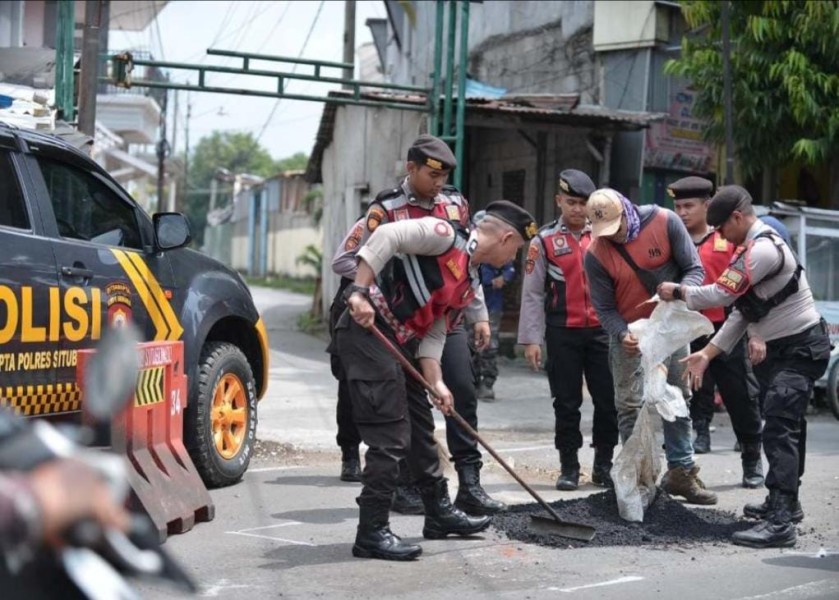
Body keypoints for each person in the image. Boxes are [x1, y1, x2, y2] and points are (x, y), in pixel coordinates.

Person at [334, 200, 536, 561]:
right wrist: (359, 291)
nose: (514, 258)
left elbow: (436, 331)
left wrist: (437, 382)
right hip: (368, 331)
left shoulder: (468, 279)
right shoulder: (444, 236)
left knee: (421, 428)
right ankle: (371, 532)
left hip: (403, 341)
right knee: (390, 434)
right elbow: (387, 235)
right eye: (517, 249)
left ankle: (438, 513)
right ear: (506, 237)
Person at [332, 134, 507, 517]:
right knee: (404, 410)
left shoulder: (455, 204)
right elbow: (347, 259)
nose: (438, 183)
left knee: (458, 387)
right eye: (432, 175)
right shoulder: (386, 208)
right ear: (411, 169)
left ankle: (468, 483)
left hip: (443, 315)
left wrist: (477, 313)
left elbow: (467, 262)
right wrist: (388, 283)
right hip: (393, 317)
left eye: (444, 176)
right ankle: (408, 488)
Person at [658, 185, 831, 548]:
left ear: (737, 217)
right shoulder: (750, 250)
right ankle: (784, 503)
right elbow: (741, 311)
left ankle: (781, 523)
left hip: (800, 349)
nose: (720, 235)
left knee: (779, 428)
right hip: (784, 350)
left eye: (721, 229)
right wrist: (707, 355)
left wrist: (678, 291)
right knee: (788, 426)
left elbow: (721, 294)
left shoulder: (763, 249)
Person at [583, 188, 717, 505]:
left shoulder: (664, 221)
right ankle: (639, 478)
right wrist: (621, 334)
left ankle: (682, 473)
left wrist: (680, 293)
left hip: (670, 330)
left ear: (626, 211)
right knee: (629, 405)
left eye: (616, 228)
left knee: (677, 399)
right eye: (605, 231)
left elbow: (695, 269)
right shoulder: (595, 253)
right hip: (630, 335)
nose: (612, 236)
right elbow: (604, 308)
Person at [518, 169, 618, 491]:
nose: (577, 209)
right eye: (571, 202)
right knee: (566, 401)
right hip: (562, 331)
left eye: (583, 203)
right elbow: (532, 292)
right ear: (558, 200)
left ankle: (604, 464)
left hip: (604, 331)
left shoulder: (606, 236)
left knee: (608, 400)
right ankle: (569, 466)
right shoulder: (543, 241)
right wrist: (532, 339)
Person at [668, 177, 764, 488]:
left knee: (740, 394)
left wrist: (757, 333)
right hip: (684, 328)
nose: (682, 212)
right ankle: (692, 447)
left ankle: (751, 459)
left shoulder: (728, 238)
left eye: (689, 206)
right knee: (686, 392)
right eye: (678, 206)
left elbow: (750, 289)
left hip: (725, 328)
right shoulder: (672, 239)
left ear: (707, 206)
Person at [328, 218, 366, 483]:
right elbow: (340, 262)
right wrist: (373, 276)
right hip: (351, 311)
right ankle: (350, 456)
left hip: (397, 312)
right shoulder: (370, 223)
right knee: (351, 385)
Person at [472, 210, 515, 402]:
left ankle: (487, 383)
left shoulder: (501, 250)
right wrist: (491, 280)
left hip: (493, 305)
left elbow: (510, 270)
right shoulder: (469, 250)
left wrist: (503, 278)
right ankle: (471, 382)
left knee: (490, 344)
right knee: (469, 344)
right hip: (471, 308)